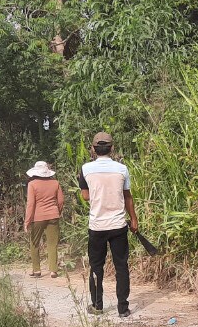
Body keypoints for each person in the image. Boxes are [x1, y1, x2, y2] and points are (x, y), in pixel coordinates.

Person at [78, 132, 138, 317]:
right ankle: (123, 308)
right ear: (112, 148)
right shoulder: (122, 169)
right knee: (121, 266)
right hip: (118, 225)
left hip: (97, 226)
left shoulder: (86, 169)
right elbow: (127, 196)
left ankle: (97, 305)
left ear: (93, 149)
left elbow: (86, 195)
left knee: (96, 266)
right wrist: (134, 219)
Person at [24, 161, 64, 278]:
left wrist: (27, 221)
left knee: (34, 243)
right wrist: (58, 211)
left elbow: (30, 204)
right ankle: (53, 270)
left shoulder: (32, 184)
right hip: (53, 215)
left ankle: (36, 269)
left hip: (38, 217)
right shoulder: (55, 183)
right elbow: (61, 201)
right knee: (52, 243)